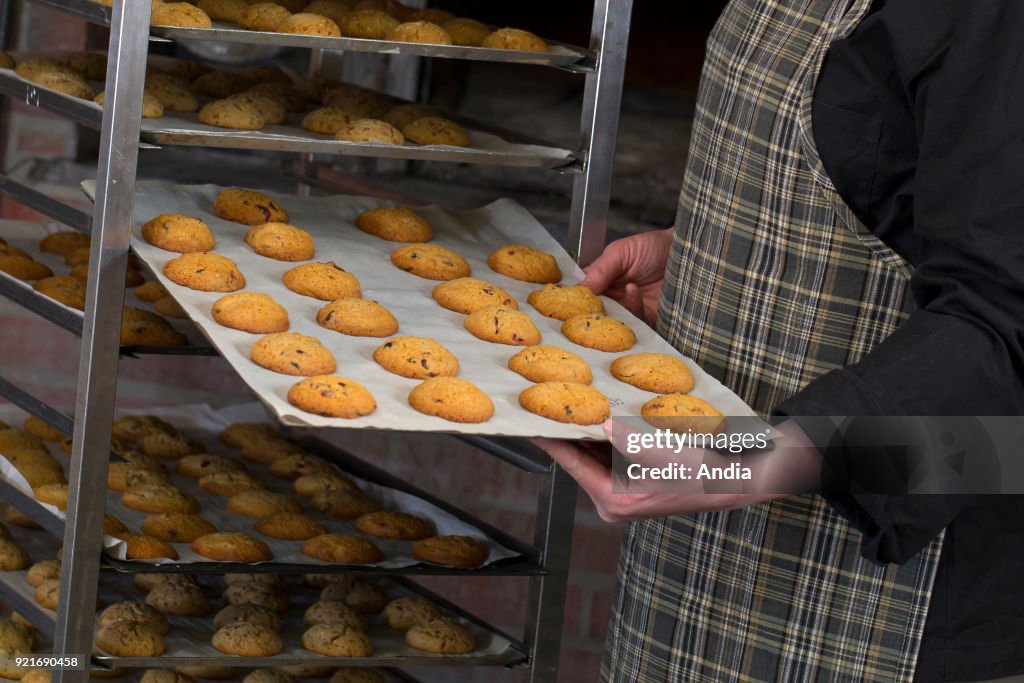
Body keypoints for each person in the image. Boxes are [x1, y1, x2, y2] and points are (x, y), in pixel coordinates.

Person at [536, 0, 1024, 681]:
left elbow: (1006, 322)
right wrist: (720, 255)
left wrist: (750, 457)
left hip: (889, 606)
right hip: (699, 548)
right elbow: (888, 182)